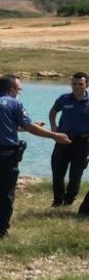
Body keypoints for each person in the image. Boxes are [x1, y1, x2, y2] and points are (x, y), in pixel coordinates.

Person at [0, 75, 72, 239]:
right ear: (12, 89)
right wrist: (54, 135)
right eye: (18, 90)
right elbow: (28, 126)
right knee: (6, 196)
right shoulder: (14, 103)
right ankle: (1, 233)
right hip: (6, 156)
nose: (18, 93)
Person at [48, 72, 89, 207]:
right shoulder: (64, 99)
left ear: (87, 84)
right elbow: (53, 112)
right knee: (57, 173)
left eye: (80, 84)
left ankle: (69, 201)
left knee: (75, 175)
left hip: (82, 144)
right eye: (74, 84)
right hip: (62, 141)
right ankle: (57, 201)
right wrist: (54, 127)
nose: (76, 87)